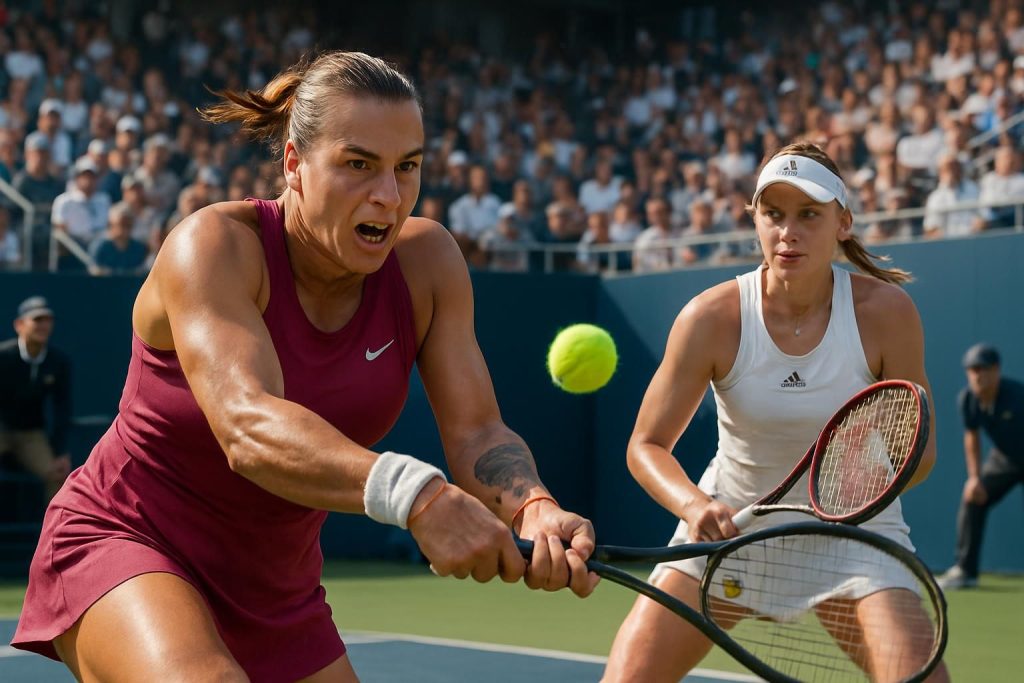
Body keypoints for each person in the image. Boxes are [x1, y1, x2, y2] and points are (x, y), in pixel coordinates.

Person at [11, 51, 598, 682]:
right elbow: (248, 426)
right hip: (128, 538)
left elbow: (479, 432)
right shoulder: (213, 246)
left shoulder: (428, 263)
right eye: (358, 164)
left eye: (408, 167)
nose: (389, 194)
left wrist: (530, 506)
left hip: (275, 586)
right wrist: (418, 497)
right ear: (294, 164)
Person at [604, 142, 948, 682]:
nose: (788, 231)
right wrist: (695, 506)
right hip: (732, 529)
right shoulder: (710, 318)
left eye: (809, 214)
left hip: (854, 539)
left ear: (843, 223)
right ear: (756, 221)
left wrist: (875, 476)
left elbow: (922, 454)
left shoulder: (886, 313)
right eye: (774, 214)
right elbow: (645, 446)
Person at [938, 344, 1024, 590]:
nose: (977, 375)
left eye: (983, 369)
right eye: (972, 370)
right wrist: (974, 477)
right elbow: (971, 437)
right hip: (1006, 458)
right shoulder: (968, 399)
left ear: (996, 371)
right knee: (973, 497)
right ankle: (965, 571)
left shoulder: (1018, 397)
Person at [0, 296, 72, 501]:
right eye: (37, 320)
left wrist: (61, 452)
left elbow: (62, 407)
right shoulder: (3, 356)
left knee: (58, 475)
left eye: (47, 320)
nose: (43, 325)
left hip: (31, 435)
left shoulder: (59, 362)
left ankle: (55, 533)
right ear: (19, 325)